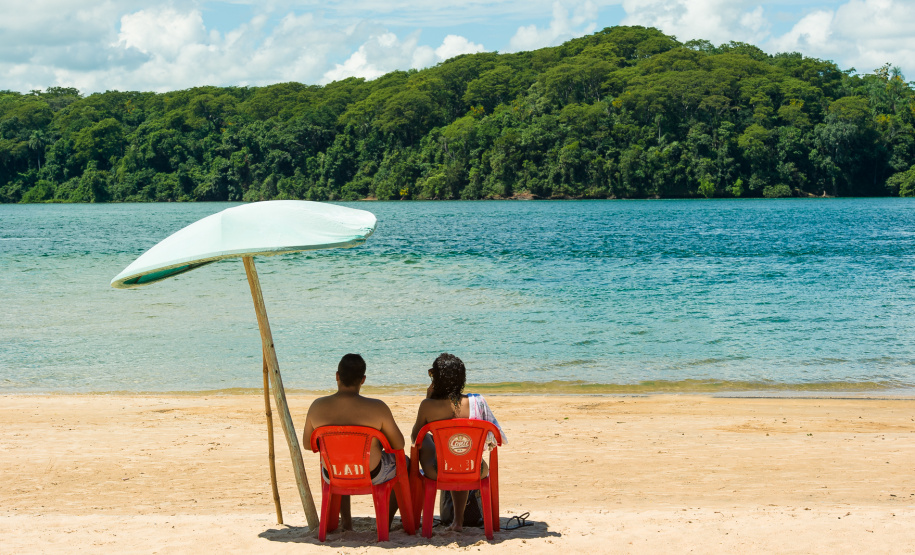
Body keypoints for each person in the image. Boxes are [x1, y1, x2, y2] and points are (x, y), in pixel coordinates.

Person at [302, 353, 406, 531]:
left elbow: (307, 444)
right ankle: (385, 523)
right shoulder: (377, 407)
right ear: (363, 379)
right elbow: (399, 445)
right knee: (407, 465)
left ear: (337, 376)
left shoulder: (317, 406)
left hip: (333, 473)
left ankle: (346, 522)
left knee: (341, 457)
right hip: (372, 474)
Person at [411, 353, 508, 532]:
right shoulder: (477, 402)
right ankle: (458, 521)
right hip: (474, 469)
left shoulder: (427, 405)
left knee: (427, 439)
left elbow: (415, 439)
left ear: (436, 379)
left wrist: (429, 397)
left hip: (439, 471)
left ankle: (426, 518)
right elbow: (495, 439)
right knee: (461, 454)